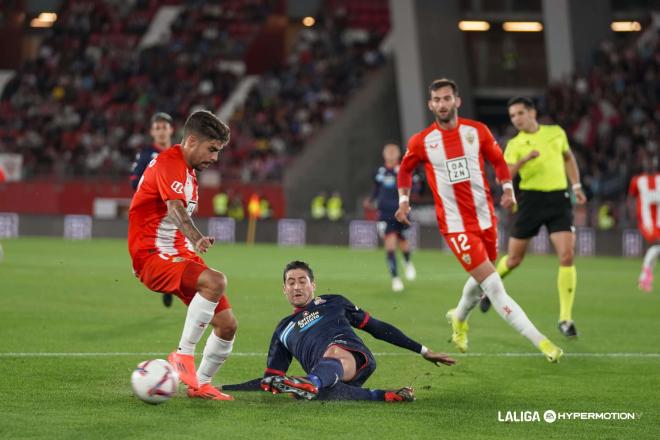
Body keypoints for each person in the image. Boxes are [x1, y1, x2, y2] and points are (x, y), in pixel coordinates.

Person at [395, 78, 563, 362]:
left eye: (446, 98)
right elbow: (405, 170)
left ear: (457, 101)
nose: (441, 104)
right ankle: (543, 343)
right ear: (430, 104)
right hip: (455, 226)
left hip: (486, 220)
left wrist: (509, 190)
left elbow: (498, 161)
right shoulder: (422, 141)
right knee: (494, 287)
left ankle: (459, 318)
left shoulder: (477, 131)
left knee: (481, 281)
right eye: (436, 100)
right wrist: (403, 201)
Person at [221, 261, 455, 401]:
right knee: (326, 392)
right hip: (326, 375)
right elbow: (272, 380)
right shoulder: (283, 329)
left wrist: (423, 350)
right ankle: (385, 395)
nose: (297, 286)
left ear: (313, 285)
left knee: (332, 352)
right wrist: (221, 388)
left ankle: (310, 383)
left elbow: (377, 328)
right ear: (284, 290)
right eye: (291, 282)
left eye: (302, 281)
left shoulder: (333, 302)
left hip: (355, 357)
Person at [128, 110, 237, 400]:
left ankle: (200, 384)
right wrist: (196, 237)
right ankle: (182, 355)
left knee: (227, 326)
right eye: (212, 149)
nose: (215, 158)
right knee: (216, 281)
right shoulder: (170, 162)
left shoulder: (188, 171)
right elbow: (175, 210)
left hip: (177, 251)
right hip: (152, 255)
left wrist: (190, 244)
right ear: (191, 140)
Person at [478, 97, 587, 339]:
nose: (515, 119)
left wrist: (576, 185)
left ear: (532, 113)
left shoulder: (555, 133)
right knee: (515, 258)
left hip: (558, 199)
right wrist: (524, 160)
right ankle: (487, 290)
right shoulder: (515, 144)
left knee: (567, 255)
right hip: (531, 201)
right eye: (512, 116)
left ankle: (566, 319)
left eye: (519, 113)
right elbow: (502, 176)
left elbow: (568, 157)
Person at [130, 112, 176, 308]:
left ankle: (172, 284)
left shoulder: (178, 152)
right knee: (153, 249)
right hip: (152, 211)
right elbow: (134, 182)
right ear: (152, 131)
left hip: (174, 209)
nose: (161, 131)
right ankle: (160, 280)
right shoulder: (146, 154)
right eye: (157, 128)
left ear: (171, 130)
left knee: (174, 247)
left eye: (164, 127)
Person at [364, 143, 417, 292]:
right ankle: (395, 279)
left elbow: (412, 187)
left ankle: (407, 261)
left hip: (401, 211)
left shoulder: (403, 170)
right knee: (390, 245)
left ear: (398, 154)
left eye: (394, 151)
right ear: (384, 154)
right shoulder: (379, 172)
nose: (391, 153)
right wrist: (370, 199)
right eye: (389, 151)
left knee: (404, 243)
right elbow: (376, 189)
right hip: (384, 213)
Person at [628, 164, 660, 292]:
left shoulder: (637, 180)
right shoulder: (638, 180)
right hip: (650, 222)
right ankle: (645, 277)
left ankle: (645, 277)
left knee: (655, 248)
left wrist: (631, 214)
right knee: (655, 246)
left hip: (648, 222)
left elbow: (630, 197)